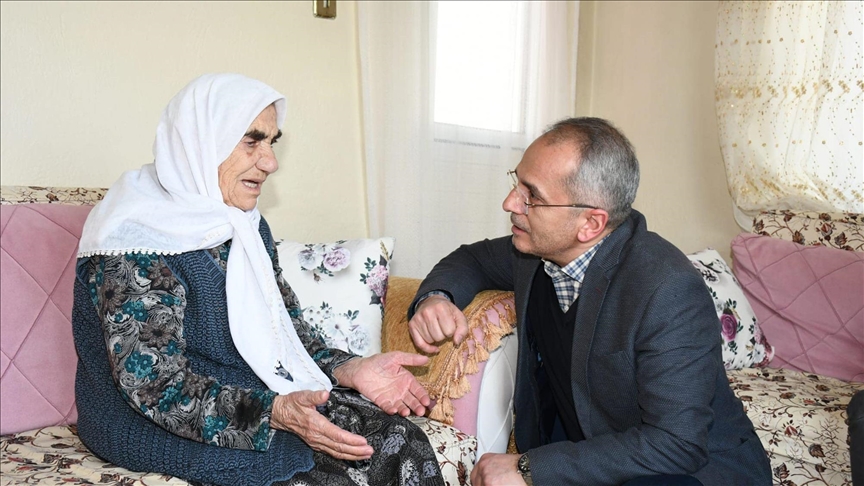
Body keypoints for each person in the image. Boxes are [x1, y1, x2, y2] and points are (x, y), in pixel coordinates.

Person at [72, 73, 444, 486]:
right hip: (146, 418)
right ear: (202, 141)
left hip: (252, 393)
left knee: (399, 440)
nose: (270, 162)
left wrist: (349, 368)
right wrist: (274, 414)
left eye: (272, 142)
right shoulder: (135, 239)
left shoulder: (246, 226)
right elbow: (157, 388)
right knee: (322, 475)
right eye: (252, 141)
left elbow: (288, 331)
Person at [407, 117, 772, 486]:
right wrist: (436, 298)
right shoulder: (534, 250)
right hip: (590, 454)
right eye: (516, 183)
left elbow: (677, 443)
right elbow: (471, 260)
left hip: (686, 472)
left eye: (532, 195)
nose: (510, 203)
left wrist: (531, 468)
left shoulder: (669, 290)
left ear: (591, 224)